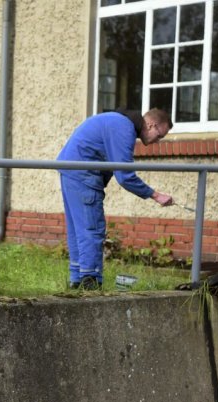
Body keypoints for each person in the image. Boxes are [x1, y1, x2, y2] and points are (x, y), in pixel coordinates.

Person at [56, 108, 174, 290]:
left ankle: (77, 279)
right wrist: (156, 195)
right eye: (159, 136)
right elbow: (125, 176)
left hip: (70, 171)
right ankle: (90, 281)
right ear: (151, 124)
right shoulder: (124, 128)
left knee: (78, 229)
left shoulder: (119, 122)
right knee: (91, 228)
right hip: (83, 174)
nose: (157, 142)